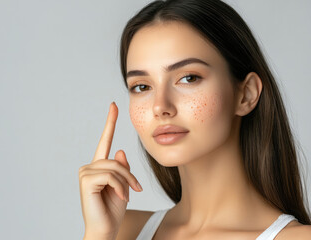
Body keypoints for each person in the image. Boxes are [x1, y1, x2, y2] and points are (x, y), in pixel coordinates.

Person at [79, 0, 311, 239]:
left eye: (189, 78)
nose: (160, 106)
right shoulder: (121, 230)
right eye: (141, 86)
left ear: (246, 94)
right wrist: (98, 234)